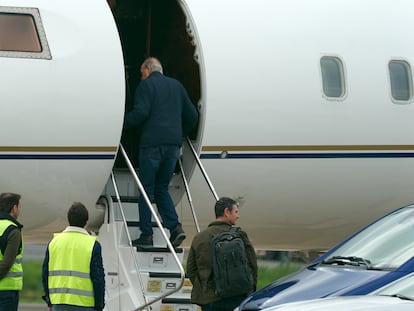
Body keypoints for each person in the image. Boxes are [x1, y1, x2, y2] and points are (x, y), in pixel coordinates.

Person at [124, 57, 198, 248]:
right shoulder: (177, 86)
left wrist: (121, 124)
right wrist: (180, 133)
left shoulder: (146, 86)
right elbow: (192, 115)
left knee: (147, 190)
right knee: (161, 188)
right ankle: (175, 228)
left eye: (142, 73)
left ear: (148, 69)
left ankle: (147, 235)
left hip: (152, 146)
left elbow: (141, 113)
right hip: (173, 147)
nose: (142, 78)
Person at [186, 197, 258, 311]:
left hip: (209, 299)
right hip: (236, 296)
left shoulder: (200, 237)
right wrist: (249, 290)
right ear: (226, 212)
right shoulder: (239, 235)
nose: (237, 216)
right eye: (236, 212)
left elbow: (190, 269)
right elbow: (252, 265)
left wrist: (204, 288)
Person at [42, 202, 105, 311]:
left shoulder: (54, 243)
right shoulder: (92, 245)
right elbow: (98, 278)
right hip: (85, 304)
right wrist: (99, 305)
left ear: (69, 220)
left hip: (59, 303)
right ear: (86, 222)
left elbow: (45, 274)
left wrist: (49, 300)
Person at [0, 193, 23, 311]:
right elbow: (7, 263)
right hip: (6, 291)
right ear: (14, 208)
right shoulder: (13, 230)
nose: (19, 210)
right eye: (19, 207)